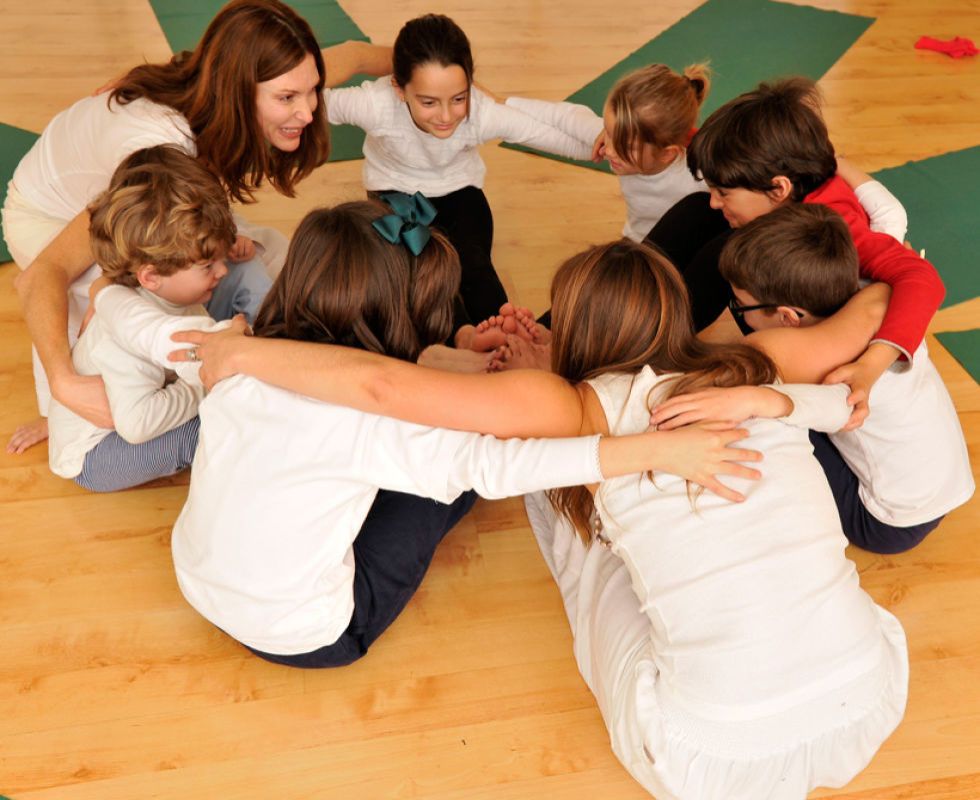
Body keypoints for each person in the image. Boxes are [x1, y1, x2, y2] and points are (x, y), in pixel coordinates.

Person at [165, 237, 906, 797]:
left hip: (706, 761)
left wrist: (245, 355)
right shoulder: (753, 365)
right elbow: (875, 305)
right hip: (869, 703)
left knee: (569, 514)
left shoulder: (563, 407)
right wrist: (772, 402)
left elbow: (384, 388)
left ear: (578, 331)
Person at [94, 198, 764, 668]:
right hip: (306, 634)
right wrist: (650, 450)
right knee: (449, 484)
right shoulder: (383, 423)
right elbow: (494, 465)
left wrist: (462, 351)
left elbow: (112, 299)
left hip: (197, 576)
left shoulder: (232, 354)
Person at [3, 0, 391, 454]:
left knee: (266, 252)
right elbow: (42, 273)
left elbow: (349, 56)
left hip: (141, 194)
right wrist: (64, 386)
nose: (307, 113)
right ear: (238, 92)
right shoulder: (157, 148)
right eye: (287, 99)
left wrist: (437, 75)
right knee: (121, 304)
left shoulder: (252, 80)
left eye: (312, 92)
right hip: (50, 218)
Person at [653, 203, 974, 554]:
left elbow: (837, 408)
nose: (736, 311)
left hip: (885, 521)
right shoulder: (876, 292)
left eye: (740, 305)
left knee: (759, 421)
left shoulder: (822, 367)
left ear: (789, 317)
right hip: (947, 482)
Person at [644, 77, 944, 426]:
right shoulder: (798, 174)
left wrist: (872, 363)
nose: (717, 200)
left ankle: (653, 349)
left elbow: (922, 278)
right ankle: (620, 299)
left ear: (779, 189)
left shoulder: (835, 228)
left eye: (724, 192)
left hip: (812, 346)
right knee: (697, 210)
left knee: (727, 252)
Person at [324, 13, 592, 327]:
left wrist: (602, 147)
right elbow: (307, 92)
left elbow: (543, 133)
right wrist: (357, 56)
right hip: (396, 196)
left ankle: (504, 340)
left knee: (475, 268)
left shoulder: (480, 111)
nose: (446, 116)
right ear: (399, 88)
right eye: (429, 102)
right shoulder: (375, 103)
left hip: (459, 192)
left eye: (458, 98)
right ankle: (464, 344)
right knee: (427, 280)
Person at [47, 146, 236, 492]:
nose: (223, 271)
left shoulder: (174, 294)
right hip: (96, 455)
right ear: (151, 277)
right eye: (208, 266)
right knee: (212, 425)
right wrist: (200, 385)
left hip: (126, 415)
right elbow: (137, 424)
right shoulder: (124, 339)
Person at [505, 62, 709, 242]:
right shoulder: (621, 143)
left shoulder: (701, 179)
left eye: (625, 146)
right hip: (637, 243)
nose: (609, 150)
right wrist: (502, 106)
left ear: (667, 154)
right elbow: (564, 117)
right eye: (608, 132)